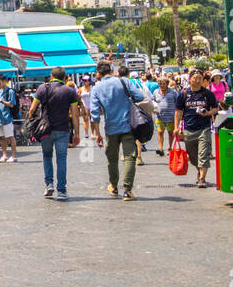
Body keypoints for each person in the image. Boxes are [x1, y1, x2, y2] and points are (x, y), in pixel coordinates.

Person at [90, 61, 150, 201]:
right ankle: (128, 190)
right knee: (130, 157)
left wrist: (97, 133)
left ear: (98, 73)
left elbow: (94, 113)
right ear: (111, 70)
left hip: (111, 128)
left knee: (112, 159)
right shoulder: (123, 81)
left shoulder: (97, 89)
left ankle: (114, 186)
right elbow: (140, 97)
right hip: (128, 125)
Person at [31, 67, 82, 200]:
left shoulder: (42, 88)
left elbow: (32, 109)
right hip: (63, 130)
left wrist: (32, 121)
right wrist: (77, 133)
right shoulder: (70, 91)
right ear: (64, 77)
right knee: (61, 159)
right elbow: (75, 115)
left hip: (45, 130)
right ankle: (62, 190)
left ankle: (49, 184)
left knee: (47, 156)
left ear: (51, 76)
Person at [180, 69, 219, 188]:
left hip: (204, 128)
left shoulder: (208, 94)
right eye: (195, 78)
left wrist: (208, 113)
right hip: (189, 128)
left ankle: (202, 179)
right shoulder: (184, 94)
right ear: (190, 79)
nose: (197, 81)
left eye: (200, 78)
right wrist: (177, 126)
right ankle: (199, 170)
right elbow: (178, 111)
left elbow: (216, 108)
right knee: (192, 156)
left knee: (204, 154)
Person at [153, 77, 180, 156]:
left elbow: (178, 102)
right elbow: (153, 101)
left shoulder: (173, 92)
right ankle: (161, 148)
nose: (161, 85)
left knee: (170, 133)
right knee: (160, 132)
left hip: (171, 117)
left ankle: (169, 148)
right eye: (160, 84)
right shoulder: (155, 92)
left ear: (167, 84)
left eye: (163, 84)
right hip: (159, 116)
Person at [0, 76, 18, 162]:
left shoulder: (10, 91)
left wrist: (0, 100)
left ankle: (14, 156)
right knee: (1, 137)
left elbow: (12, 104)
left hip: (7, 117)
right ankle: (4, 155)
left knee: (10, 137)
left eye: (0, 82)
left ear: (5, 81)